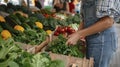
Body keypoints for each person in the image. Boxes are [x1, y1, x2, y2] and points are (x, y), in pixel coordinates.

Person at [66, 0, 119, 67]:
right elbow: (84, 19)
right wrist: (78, 35)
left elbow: (108, 22)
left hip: (102, 41)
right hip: (92, 38)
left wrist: (79, 34)